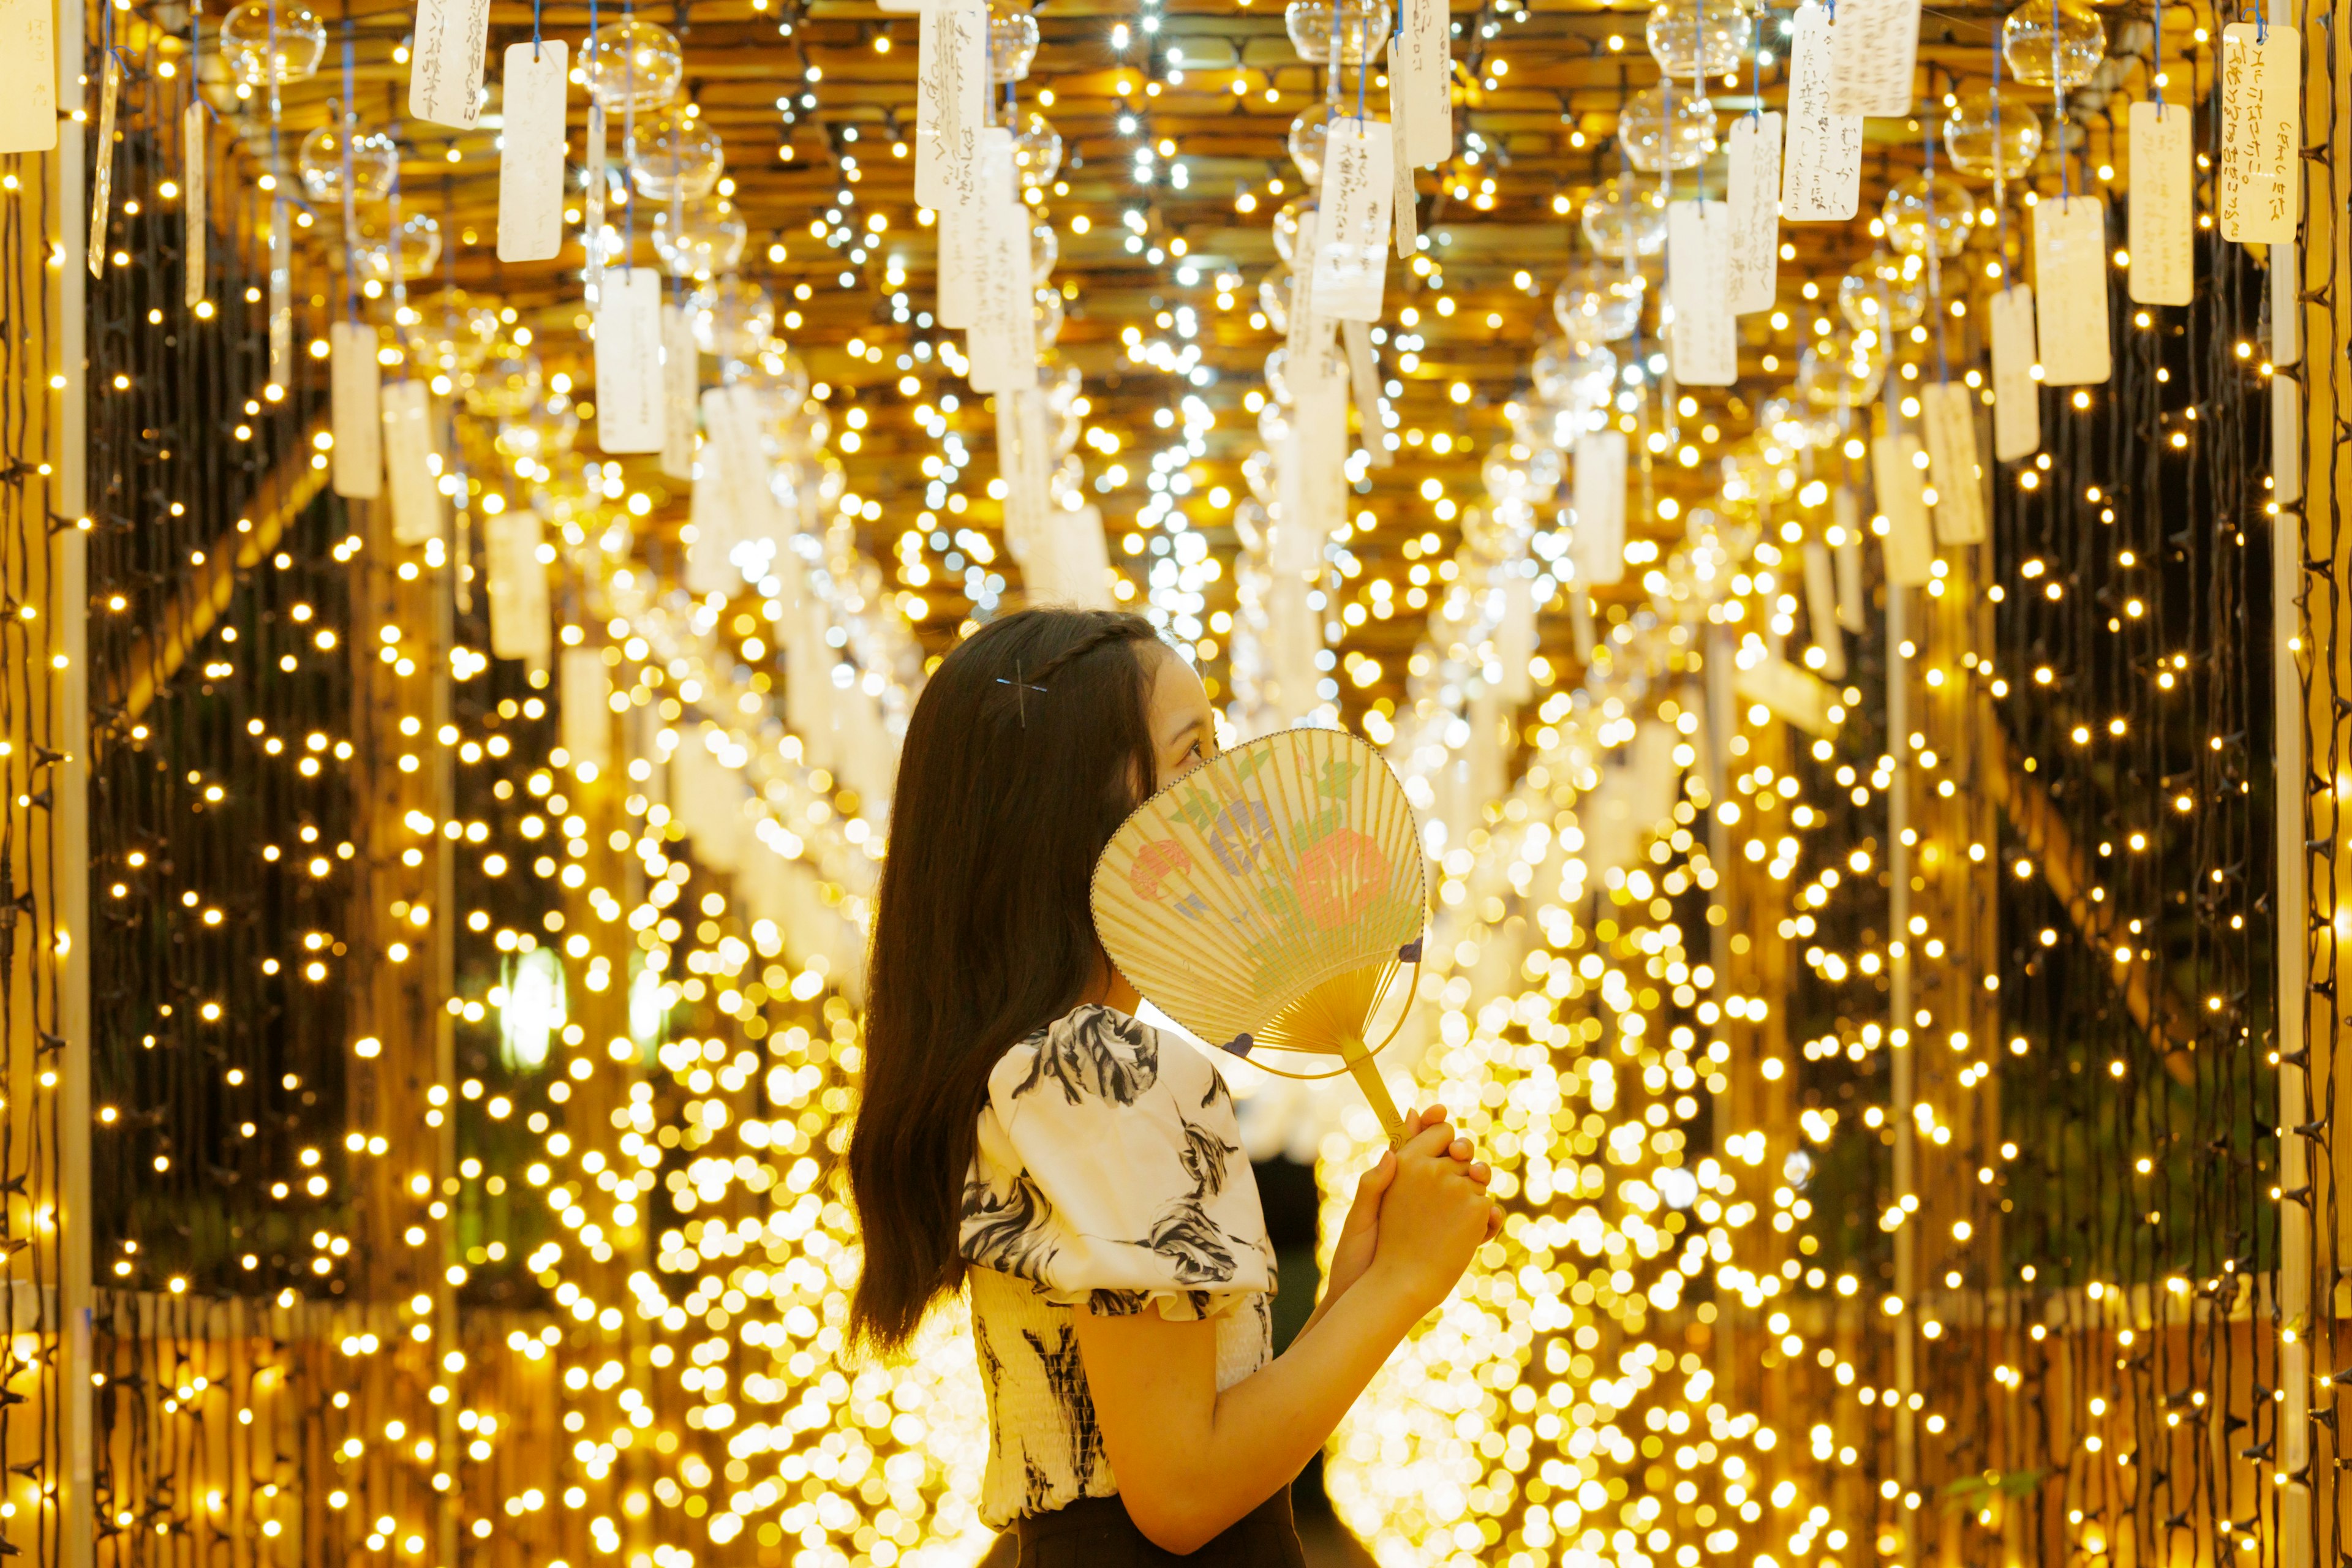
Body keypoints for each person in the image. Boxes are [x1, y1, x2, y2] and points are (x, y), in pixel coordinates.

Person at [848, 607, 1502, 1565]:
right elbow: (1182, 1495)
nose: (1227, 799)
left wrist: (1357, 1287)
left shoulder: (1052, 1061)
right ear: (1069, 805)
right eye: (1191, 757)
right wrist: (1401, 1284)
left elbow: (1191, 1440)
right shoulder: (1099, 1068)